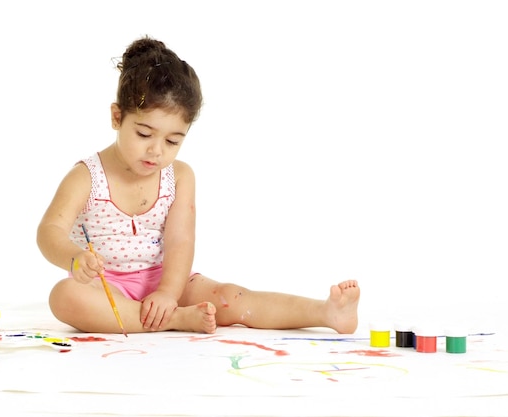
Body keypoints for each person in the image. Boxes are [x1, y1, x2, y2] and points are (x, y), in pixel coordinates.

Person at [37, 35, 360, 335]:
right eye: (144, 134)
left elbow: (180, 240)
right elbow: (49, 230)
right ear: (117, 117)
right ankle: (174, 321)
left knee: (231, 296)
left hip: (168, 280)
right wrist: (74, 257)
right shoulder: (87, 176)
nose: (156, 151)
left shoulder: (178, 176)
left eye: (173, 140)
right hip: (104, 288)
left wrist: (167, 292)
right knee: (64, 296)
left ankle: (326, 313)